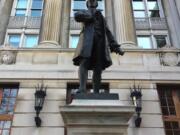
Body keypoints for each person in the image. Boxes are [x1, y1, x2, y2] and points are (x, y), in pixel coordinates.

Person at [73, 0, 124, 94]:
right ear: (87, 4)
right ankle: (82, 87)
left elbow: (108, 32)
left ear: (97, 4)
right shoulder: (84, 12)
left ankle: (96, 91)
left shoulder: (101, 17)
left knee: (98, 68)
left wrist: (116, 47)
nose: (92, 3)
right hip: (87, 43)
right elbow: (77, 16)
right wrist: (91, 16)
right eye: (90, 2)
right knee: (84, 63)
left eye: (94, 2)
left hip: (100, 43)